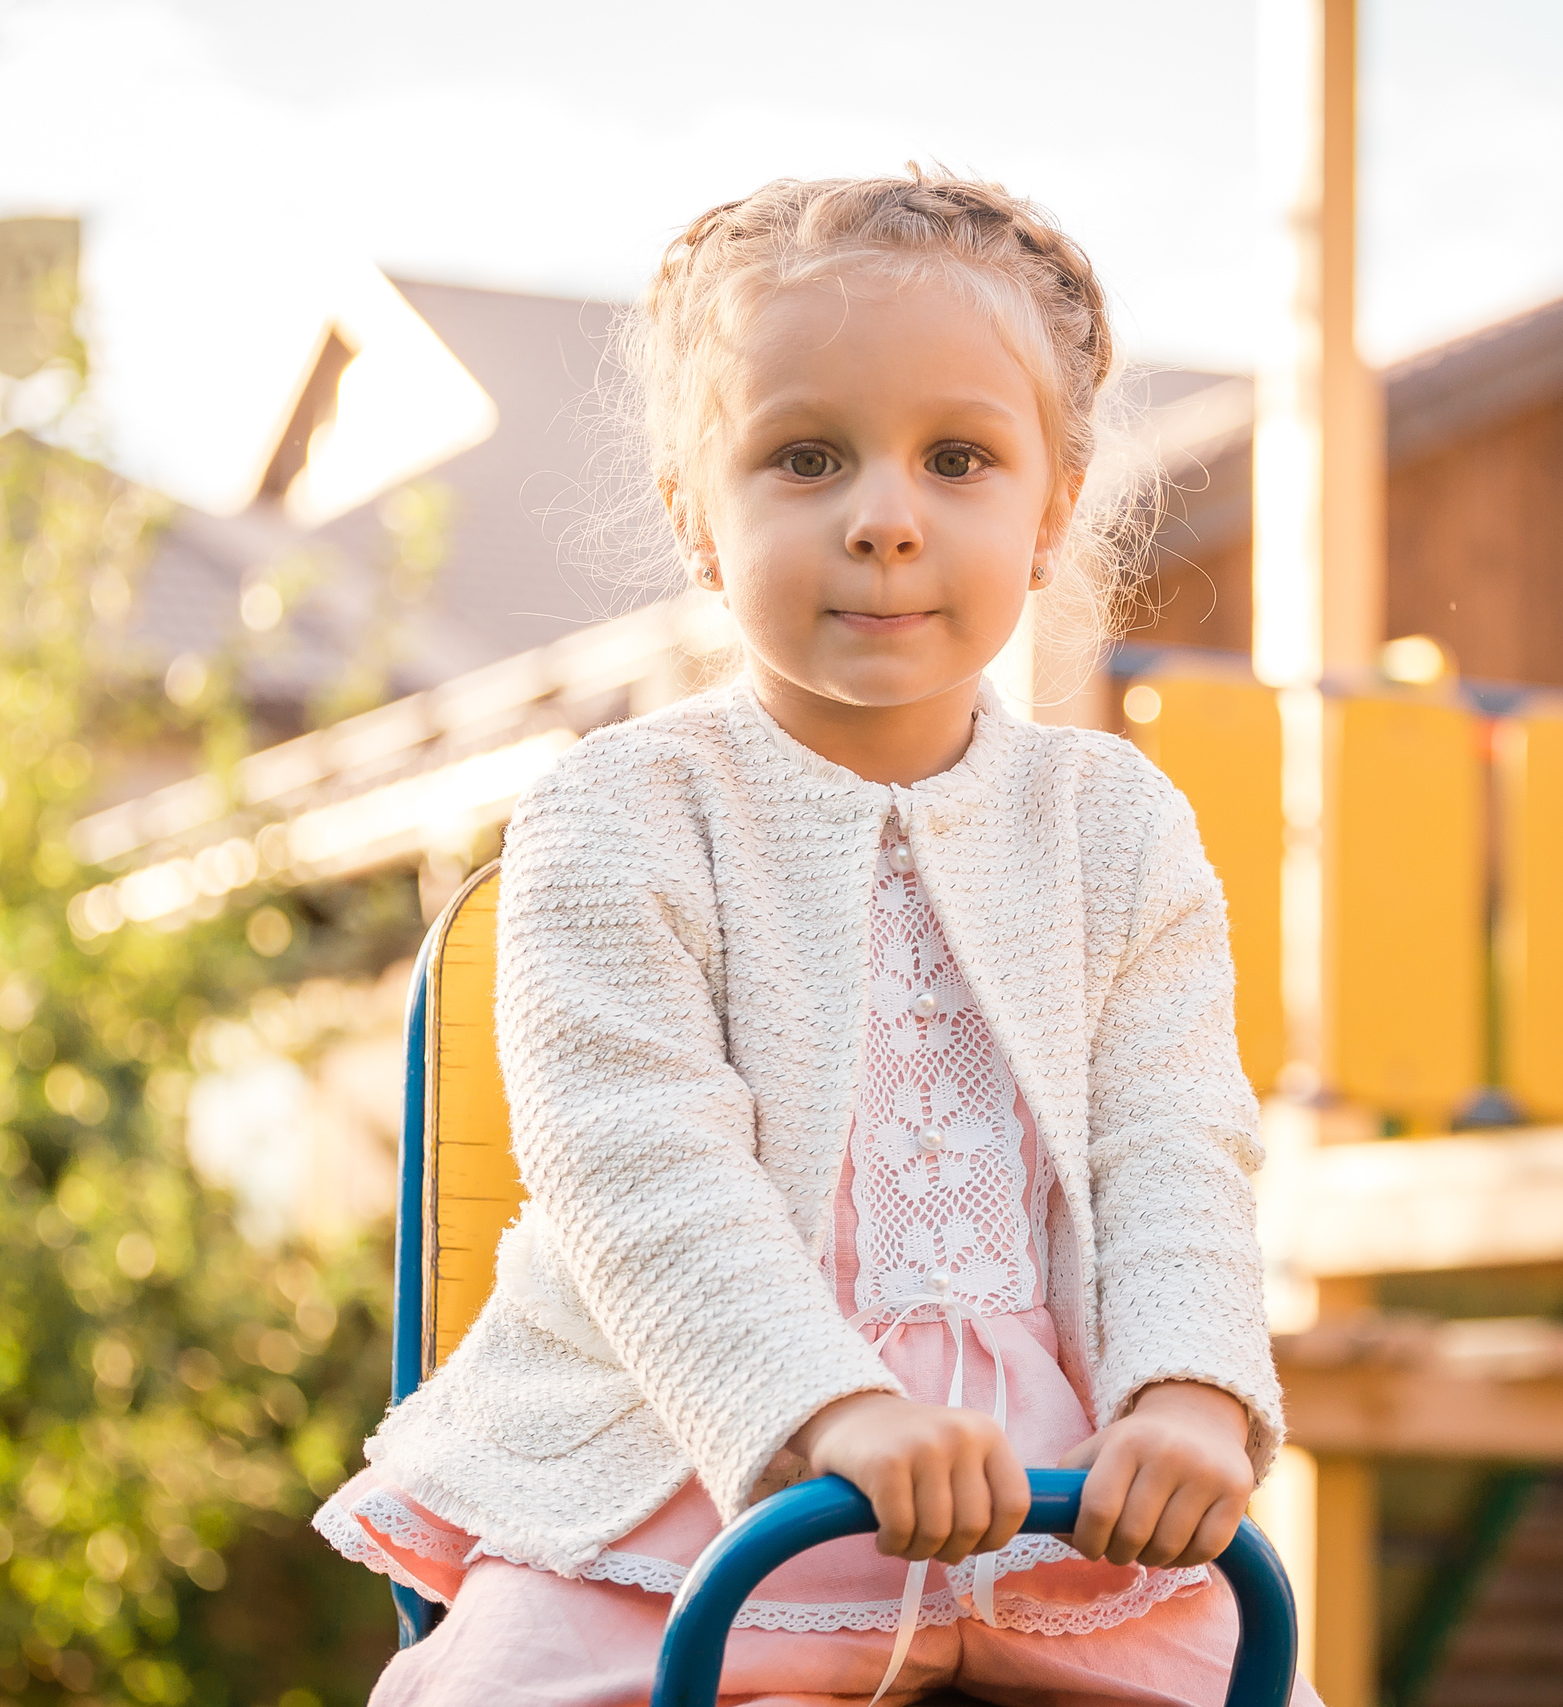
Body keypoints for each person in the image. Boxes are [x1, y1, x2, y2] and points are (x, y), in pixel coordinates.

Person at [313, 171, 1312, 1707]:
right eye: (805, 458)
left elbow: (1175, 1143)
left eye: (959, 459)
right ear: (696, 517)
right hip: (686, 1480)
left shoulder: (1116, 824)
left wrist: (1183, 1395)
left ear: (1048, 509)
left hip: (1052, 1512)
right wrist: (823, 1416)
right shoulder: (621, 815)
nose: (886, 519)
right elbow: (638, 1174)